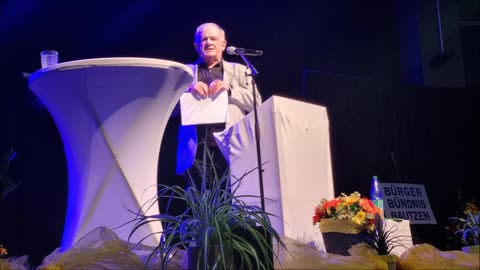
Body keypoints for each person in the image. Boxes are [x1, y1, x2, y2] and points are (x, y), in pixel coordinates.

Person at [175, 22, 262, 185]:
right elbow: (167, 110)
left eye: (213, 38)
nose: (209, 42)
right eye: (204, 39)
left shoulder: (240, 70)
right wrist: (186, 90)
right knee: (198, 204)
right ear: (196, 45)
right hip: (195, 149)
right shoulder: (184, 72)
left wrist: (230, 90)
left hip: (229, 148)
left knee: (230, 202)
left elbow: (256, 103)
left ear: (223, 44)